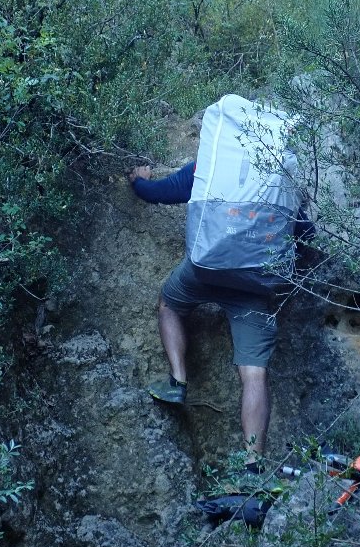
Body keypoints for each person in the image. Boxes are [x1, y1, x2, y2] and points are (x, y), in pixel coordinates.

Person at [128, 158, 314, 472]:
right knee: (254, 374)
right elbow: (305, 236)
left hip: (205, 270)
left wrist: (138, 179)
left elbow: (156, 192)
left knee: (169, 304)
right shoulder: (278, 182)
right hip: (254, 283)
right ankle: (253, 465)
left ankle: (177, 381)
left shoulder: (211, 163)